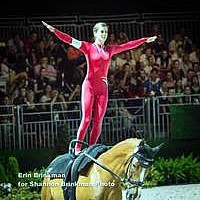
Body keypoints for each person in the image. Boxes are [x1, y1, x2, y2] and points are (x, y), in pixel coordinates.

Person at [42, 21, 157, 154]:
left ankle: (90, 149)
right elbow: (69, 40)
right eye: (101, 32)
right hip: (89, 86)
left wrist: (144, 40)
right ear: (95, 33)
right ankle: (78, 148)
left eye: (106, 32)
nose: (104, 34)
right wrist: (54, 31)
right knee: (86, 119)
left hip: (103, 88)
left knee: (98, 122)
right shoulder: (87, 47)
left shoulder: (110, 49)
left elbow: (127, 46)